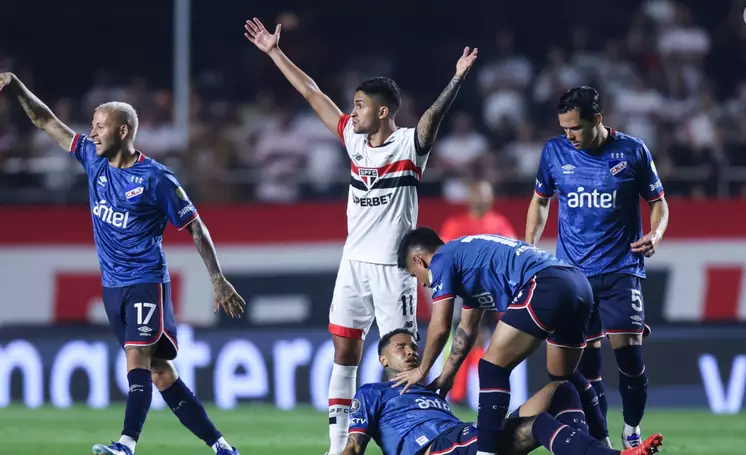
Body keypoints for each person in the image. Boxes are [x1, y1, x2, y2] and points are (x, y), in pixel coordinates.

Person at [243, 17, 478, 455]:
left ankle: (419, 437)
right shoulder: (353, 139)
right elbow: (313, 93)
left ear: (383, 111)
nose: (352, 113)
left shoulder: (408, 147)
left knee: (404, 360)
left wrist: (456, 79)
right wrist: (275, 53)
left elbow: (432, 119)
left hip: (393, 271)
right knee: (344, 352)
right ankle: (338, 448)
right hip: (352, 263)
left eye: (360, 106)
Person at [0, 73, 244, 455]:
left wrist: (217, 279)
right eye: (92, 126)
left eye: (100, 126)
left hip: (145, 281)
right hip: (112, 287)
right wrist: (16, 86)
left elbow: (196, 226)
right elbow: (46, 120)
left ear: (123, 130)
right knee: (160, 373)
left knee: (137, 357)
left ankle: (126, 445)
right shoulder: (92, 160)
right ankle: (223, 447)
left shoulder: (156, 178)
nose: (92, 133)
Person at [525, 86, 669, 448]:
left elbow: (658, 202)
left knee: (630, 356)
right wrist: (530, 247)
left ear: (597, 120)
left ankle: (631, 430)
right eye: (564, 128)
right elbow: (540, 201)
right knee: (585, 367)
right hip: (573, 276)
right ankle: (601, 441)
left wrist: (656, 234)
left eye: (576, 128)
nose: (569, 136)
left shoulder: (632, 151)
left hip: (621, 269)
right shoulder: (554, 152)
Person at [393, 228, 609, 455]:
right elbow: (466, 330)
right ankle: (600, 442)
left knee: (492, 367)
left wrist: (422, 370)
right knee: (563, 375)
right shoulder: (466, 259)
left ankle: (486, 451)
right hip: (577, 283)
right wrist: (447, 376)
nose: (422, 284)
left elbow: (440, 328)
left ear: (419, 260)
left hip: (545, 283)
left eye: (414, 275)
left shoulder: (441, 260)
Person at [341, 328, 664, 455]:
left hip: (464, 438)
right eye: (401, 347)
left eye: (414, 346)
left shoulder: (429, 391)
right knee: (538, 425)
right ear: (383, 359)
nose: (411, 351)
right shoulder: (372, 393)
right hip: (435, 449)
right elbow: (354, 446)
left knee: (561, 389)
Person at [438, 179, 516, 403]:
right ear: (470, 197)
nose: (481, 198)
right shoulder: (455, 224)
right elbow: (443, 258)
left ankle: (479, 392)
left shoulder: (500, 223)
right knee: (459, 339)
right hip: (461, 293)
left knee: (486, 340)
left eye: (485, 194)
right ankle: (454, 392)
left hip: (491, 292)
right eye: (478, 193)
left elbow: (511, 256)